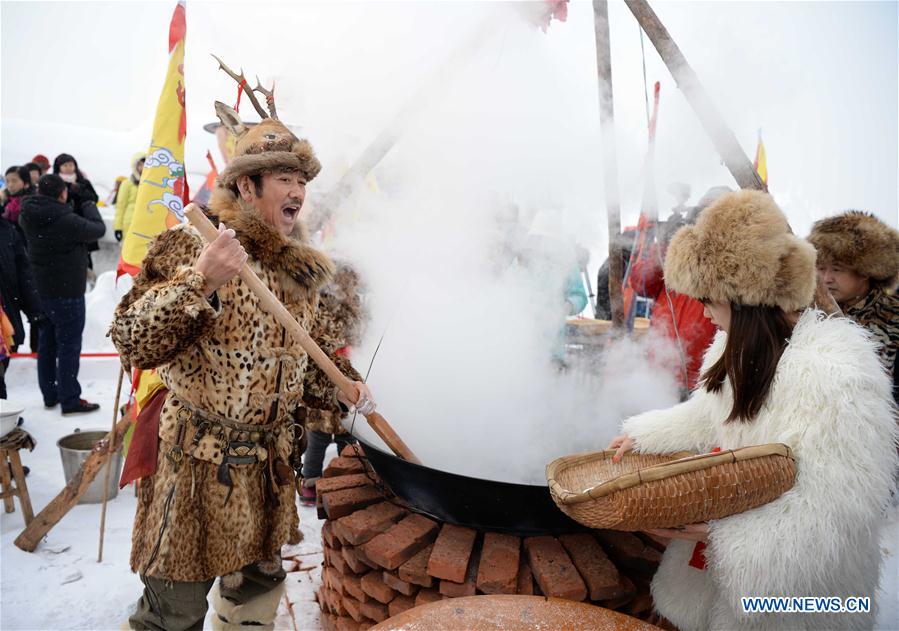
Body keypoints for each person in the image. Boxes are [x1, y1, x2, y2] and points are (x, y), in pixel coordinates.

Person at [111, 100, 375, 631]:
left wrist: (345, 387)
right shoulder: (194, 244)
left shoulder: (298, 266)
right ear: (246, 188)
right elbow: (131, 338)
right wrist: (200, 280)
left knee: (254, 607)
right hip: (195, 474)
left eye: (302, 179)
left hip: (268, 473)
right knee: (172, 614)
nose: (298, 191)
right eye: (284, 178)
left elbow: (311, 358)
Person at [607, 190, 897, 631]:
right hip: (721, 574)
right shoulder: (734, 346)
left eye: (709, 299)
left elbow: (839, 512)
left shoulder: (839, 373)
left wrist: (720, 535)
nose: (703, 314)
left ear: (745, 299)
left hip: (807, 601)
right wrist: (642, 435)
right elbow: (709, 415)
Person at [625, 187, 730, 393]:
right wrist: (666, 246)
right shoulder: (677, 250)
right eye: (699, 213)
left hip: (703, 376)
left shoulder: (731, 254)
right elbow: (640, 283)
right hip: (659, 369)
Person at [19, 174, 105, 414]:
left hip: (42, 290)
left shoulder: (28, 214)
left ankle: (50, 394)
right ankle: (70, 399)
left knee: (47, 343)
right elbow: (98, 229)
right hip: (67, 291)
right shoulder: (65, 219)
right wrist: (87, 203)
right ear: (61, 194)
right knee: (69, 345)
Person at [809, 210, 899, 404]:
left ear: (865, 272)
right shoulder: (807, 313)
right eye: (821, 268)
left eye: (837, 269)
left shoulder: (894, 321)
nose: (826, 279)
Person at [299, 262, 366, 506]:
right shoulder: (322, 307)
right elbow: (319, 344)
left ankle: (346, 480)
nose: (351, 291)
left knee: (348, 442)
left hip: (349, 388)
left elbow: (363, 335)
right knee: (317, 441)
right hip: (325, 390)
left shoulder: (357, 309)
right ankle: (310, 482)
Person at [0, 216, 42, 398]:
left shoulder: (7, 230)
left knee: (1, 369)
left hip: (4, 317)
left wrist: (35, 310)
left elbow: (23, 274)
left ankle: (2, 415)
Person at [53, 153, 100, 277]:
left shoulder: (83, 181)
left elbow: (94, 198)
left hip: (83, 224)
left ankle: (88, 282)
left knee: (86, 255)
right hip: (63, 224)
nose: (68, 167)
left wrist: (80, 190)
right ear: (59, 167)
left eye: (71, 164)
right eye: (65, 165)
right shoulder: (54, 182)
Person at [113, 152, 146, 241]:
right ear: (135, 166)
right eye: (139, 164)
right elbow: (120, 207)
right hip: (129, 224)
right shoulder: (127, 183)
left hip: (146, 225)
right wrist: (118, 227)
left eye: (145, 164)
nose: (142, 167)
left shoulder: (153, 184)